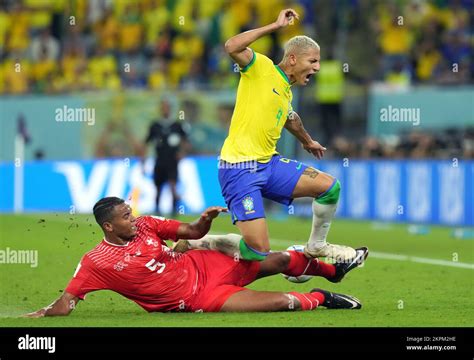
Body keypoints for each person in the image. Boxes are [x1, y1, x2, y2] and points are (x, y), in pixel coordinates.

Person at [24, 197, 368, 317]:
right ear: (108, 227)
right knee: (281, 303)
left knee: (278, 260)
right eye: (125, 217)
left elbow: (190, 233)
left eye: (131, 213)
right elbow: (67, 303)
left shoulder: (145, 225)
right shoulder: (96, 262)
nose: (133, 218)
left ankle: (329, 271)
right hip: (201, 296)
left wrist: (203, 221)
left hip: (205, 263)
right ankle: (321, 297)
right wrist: (36, 315)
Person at [218, 8, 362, 262]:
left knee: (329, 187)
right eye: (313, 61)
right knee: (258, 251)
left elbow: (290, 119)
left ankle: (316, 246)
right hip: (239, 168)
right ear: (293, 59)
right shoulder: (260, 68)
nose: (317, 67)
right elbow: (231, 46)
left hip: (268, 164)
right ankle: (205, 242)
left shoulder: (285, 90)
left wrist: (308, 142)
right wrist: (274, 27)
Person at [143, 98, 190, 215]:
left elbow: (186, 141)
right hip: (159, 160)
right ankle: (157, 211)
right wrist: (143, 159)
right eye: (163, 107)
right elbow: (146, 142)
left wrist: (182, 153)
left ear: (170, 109)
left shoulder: (177, 125)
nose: (164, 109)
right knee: (158, 188)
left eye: (166, 107)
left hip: (172, 160)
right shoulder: (155, 125)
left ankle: (175, 211)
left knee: (172, 185)